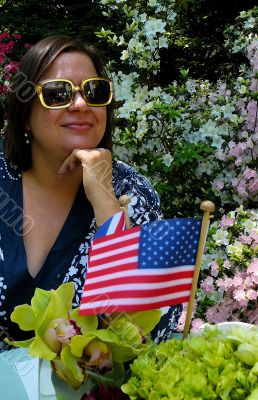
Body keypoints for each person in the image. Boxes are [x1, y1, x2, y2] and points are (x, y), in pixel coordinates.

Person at [0, 35, 181, 350]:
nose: (81, 104)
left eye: (95, 92)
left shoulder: (132, 192)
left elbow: (150, 332)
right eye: (58, 93)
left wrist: (104, 202)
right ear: (25, 114)